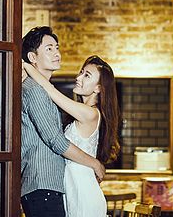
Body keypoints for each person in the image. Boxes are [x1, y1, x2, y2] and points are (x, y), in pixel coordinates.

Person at [21, 27, 106, 217]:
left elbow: (51, 91)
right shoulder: (35, 90)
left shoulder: (87, 112)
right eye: (49, 49)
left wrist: (27, 67)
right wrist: (95, 164)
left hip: (60, 188)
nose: (57, 53)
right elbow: (56, 140)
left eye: (57, 47)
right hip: (43, 185)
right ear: (33, 57)